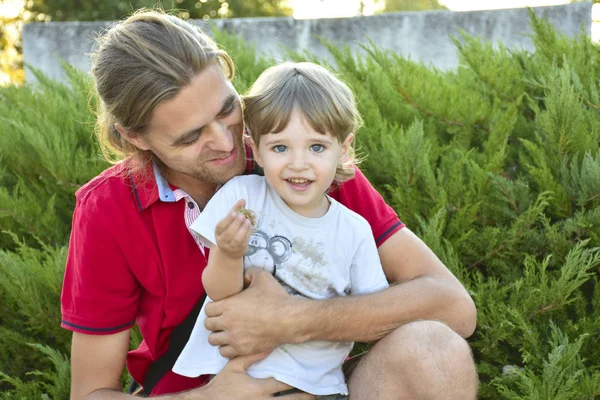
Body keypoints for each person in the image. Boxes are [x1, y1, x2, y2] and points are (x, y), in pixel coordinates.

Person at [61, 9, 478, 400]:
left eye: (228, 110)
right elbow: (91, 392)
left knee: (435, 351)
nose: (226, 144)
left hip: (323, 387)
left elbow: (452, 307)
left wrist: (290, 321)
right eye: (190, 137)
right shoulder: (107, 209)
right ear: (135, 136)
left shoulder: (302, 164)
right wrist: (209, 397)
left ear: (226, 73)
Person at [172, 62, 390, 399]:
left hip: (314, 387)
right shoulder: (240, 197)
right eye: (280, 147)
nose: (298, 163)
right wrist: (229, 253)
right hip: (234, 379)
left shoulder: (355, 231)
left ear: (344, 150)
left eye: (316, 147)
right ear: (255, 149)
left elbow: (373, 315)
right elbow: (218, 292)